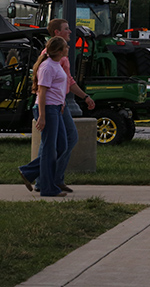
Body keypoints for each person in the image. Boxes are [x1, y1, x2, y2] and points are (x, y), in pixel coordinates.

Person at [34, 18, 95, 193]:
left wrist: (85, 96)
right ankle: (43, 178)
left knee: (57, 143)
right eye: (67, 29)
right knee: (59, 142)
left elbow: (68, 81)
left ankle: (47, 178)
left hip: (58, 104)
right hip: (54, 105)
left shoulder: (60, 58)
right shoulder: (52, 58)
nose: (70, 32)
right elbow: (43, 87)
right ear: (56, 33)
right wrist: (43, 113)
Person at [18, 36, 70, 197]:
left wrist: (61, 104)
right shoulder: (47, 67)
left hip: (56, 109)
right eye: (66, 46)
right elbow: (42, 92)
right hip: (47, 109)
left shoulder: (55, 64)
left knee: (62, 146)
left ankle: (28, 171)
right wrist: (42, 116)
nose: (68, 48)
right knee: (49, 149)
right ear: (59, 51)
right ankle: (48, 188)